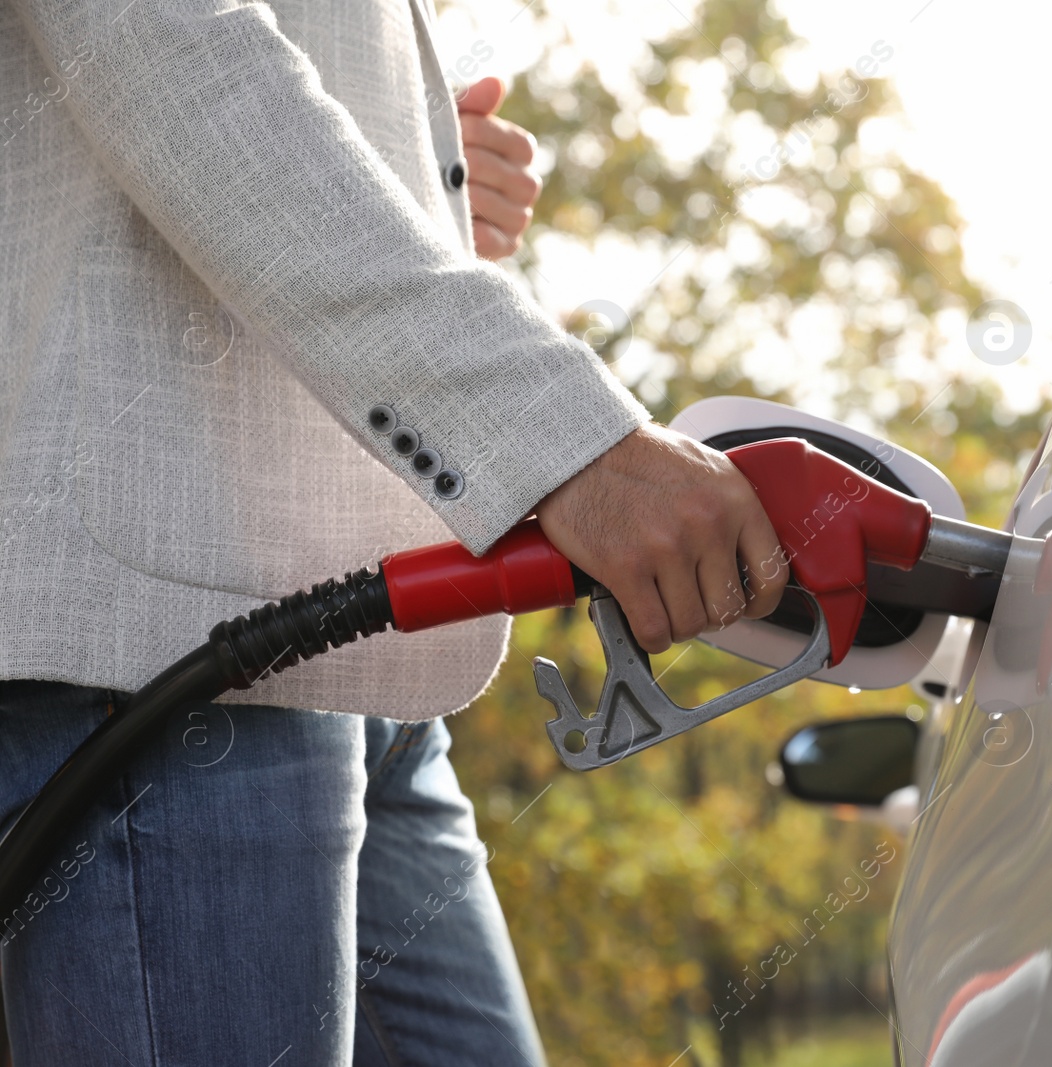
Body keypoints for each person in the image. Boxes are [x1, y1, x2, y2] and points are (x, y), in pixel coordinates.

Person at [0, 2, 788, 1064]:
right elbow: (177, 55)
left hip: (363, 646)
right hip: (168, 643)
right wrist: (567, 439)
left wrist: (422, 171)